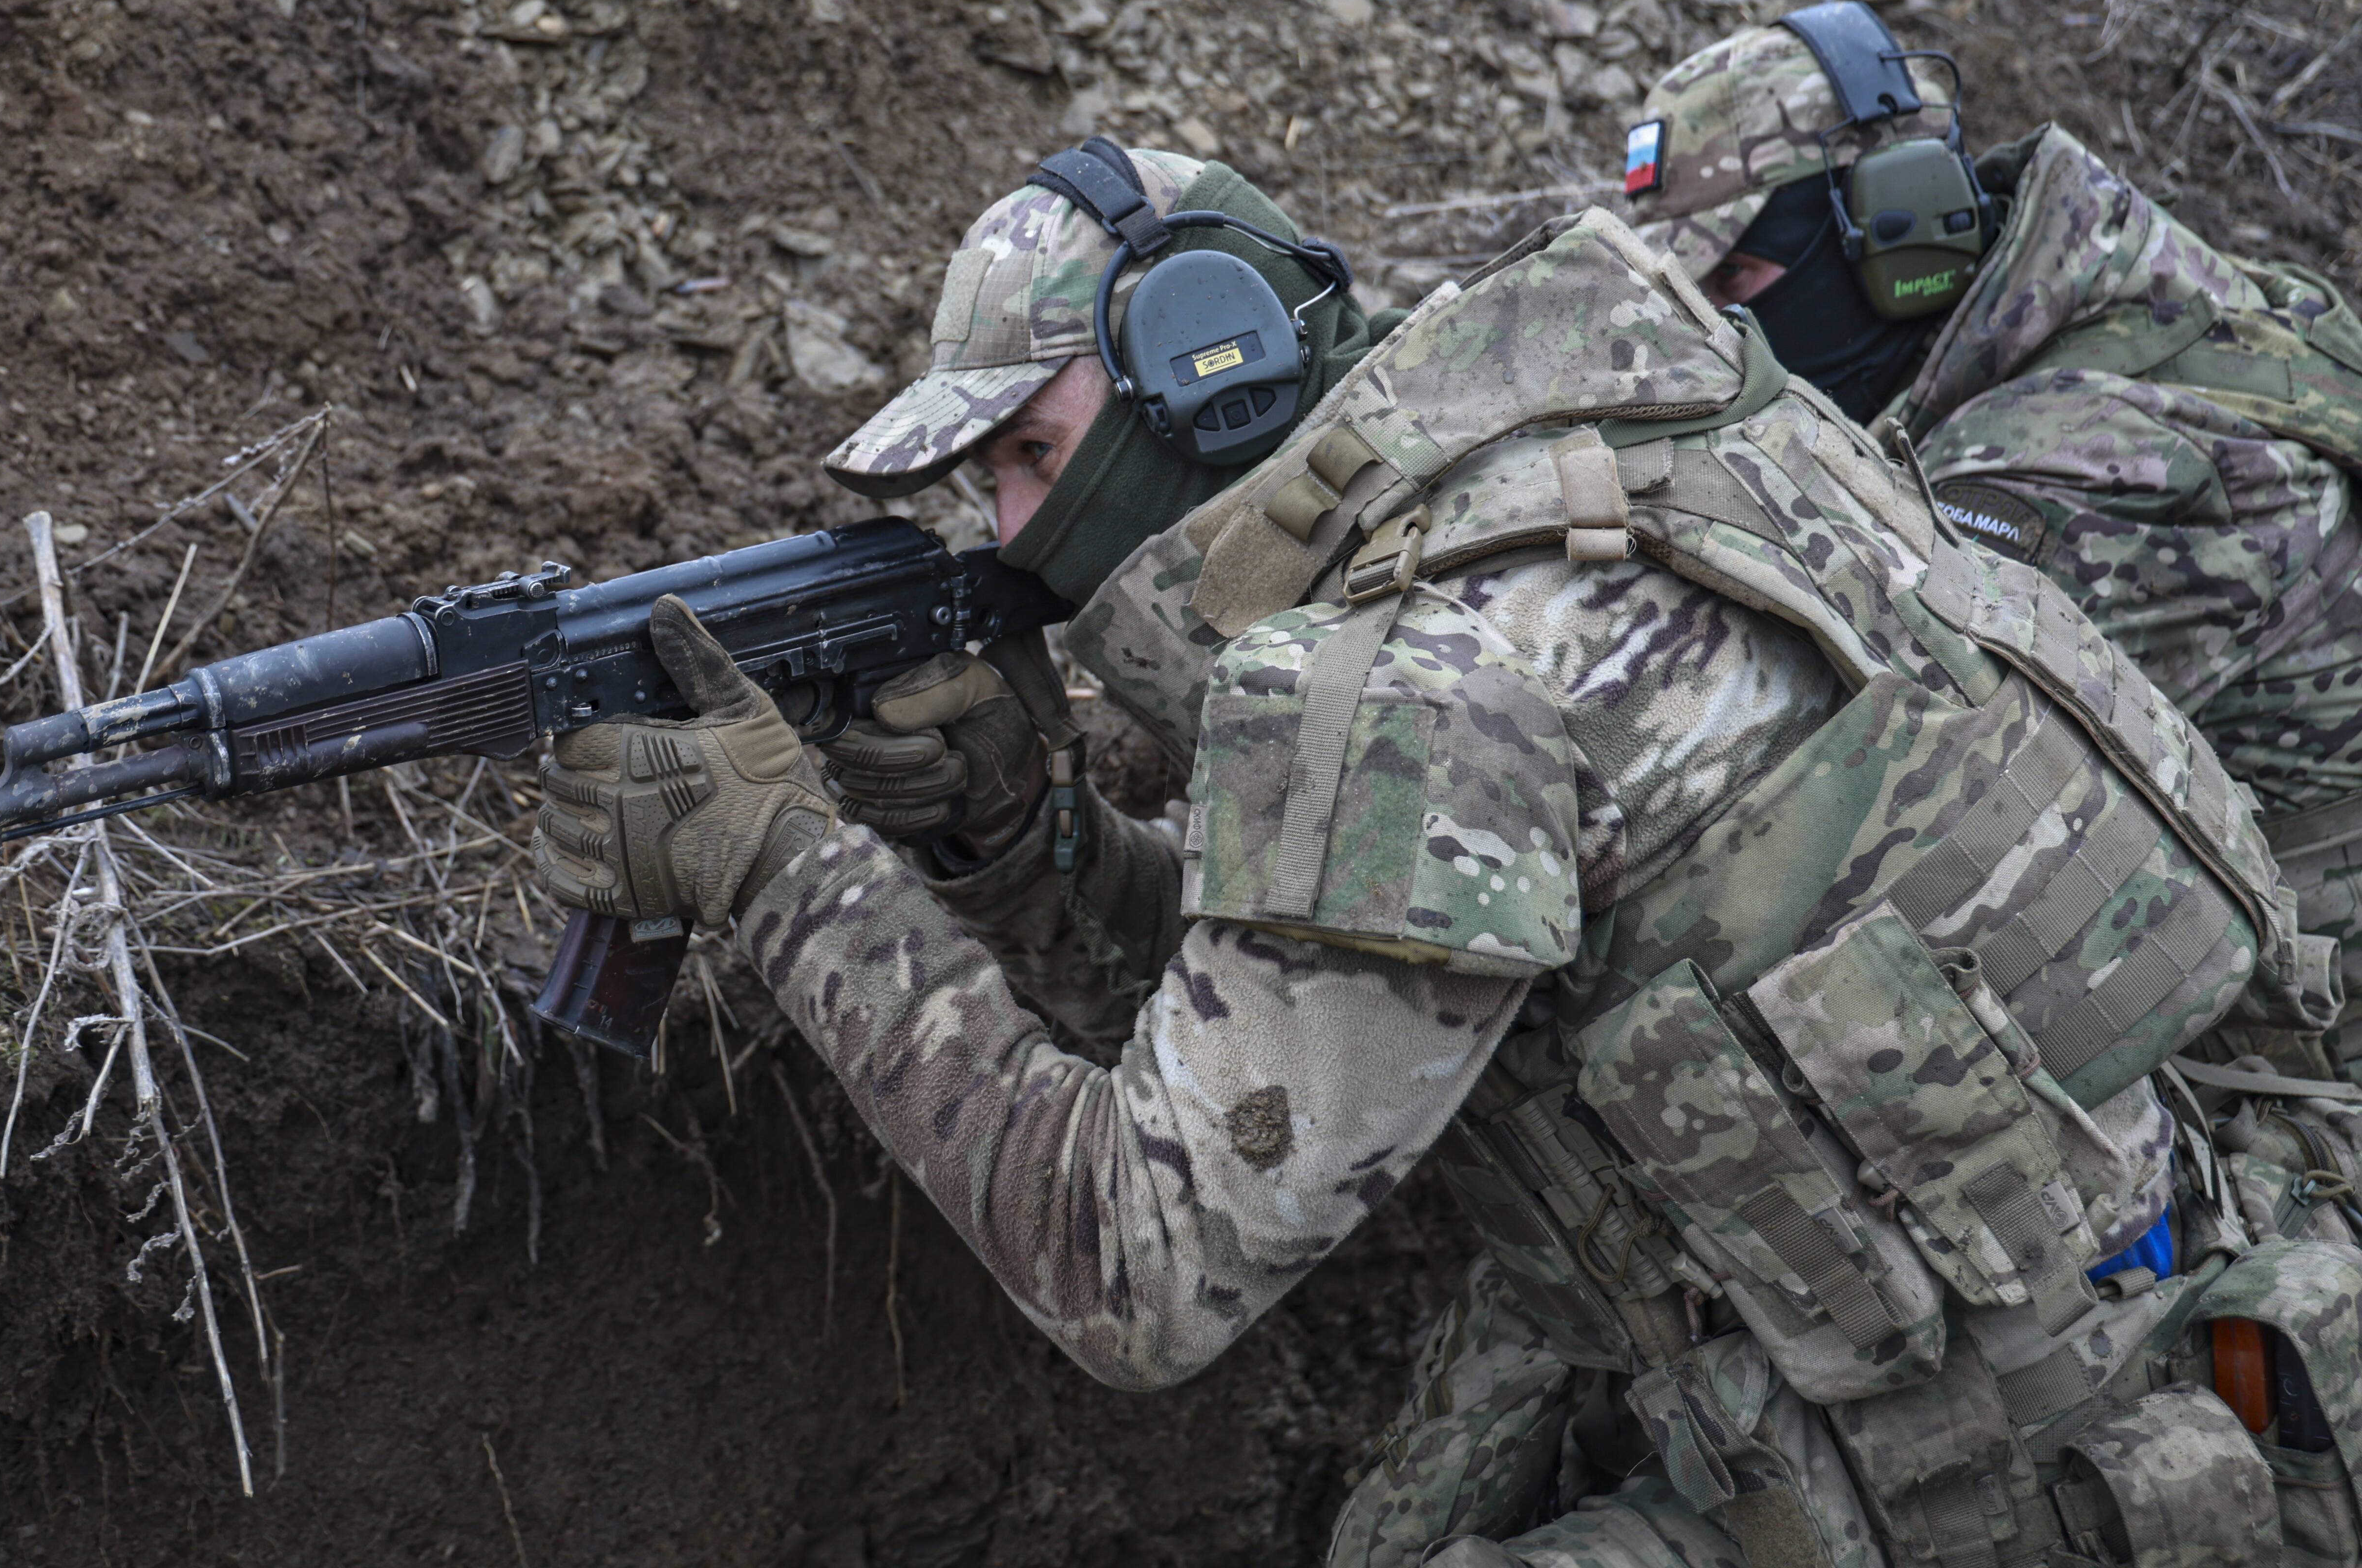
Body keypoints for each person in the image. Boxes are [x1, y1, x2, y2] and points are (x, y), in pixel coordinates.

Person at [534, 136, 2351, 1565]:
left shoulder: (1410, 684)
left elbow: (1133, 1266)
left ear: (1205, 380)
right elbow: (1302, 999)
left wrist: (780, 870)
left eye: (1023, 454)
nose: (1010, 533)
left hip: (2057, 1491)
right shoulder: (1625, 443)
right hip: (2206, 1328)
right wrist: (1027, 848)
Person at [1629, 1, 2362, 982]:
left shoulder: (2084, 468)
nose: (1715, 330)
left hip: (2293, 1066)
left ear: (1902, 234)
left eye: (1740, 278)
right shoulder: (2085, 289)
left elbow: (1860, 823)